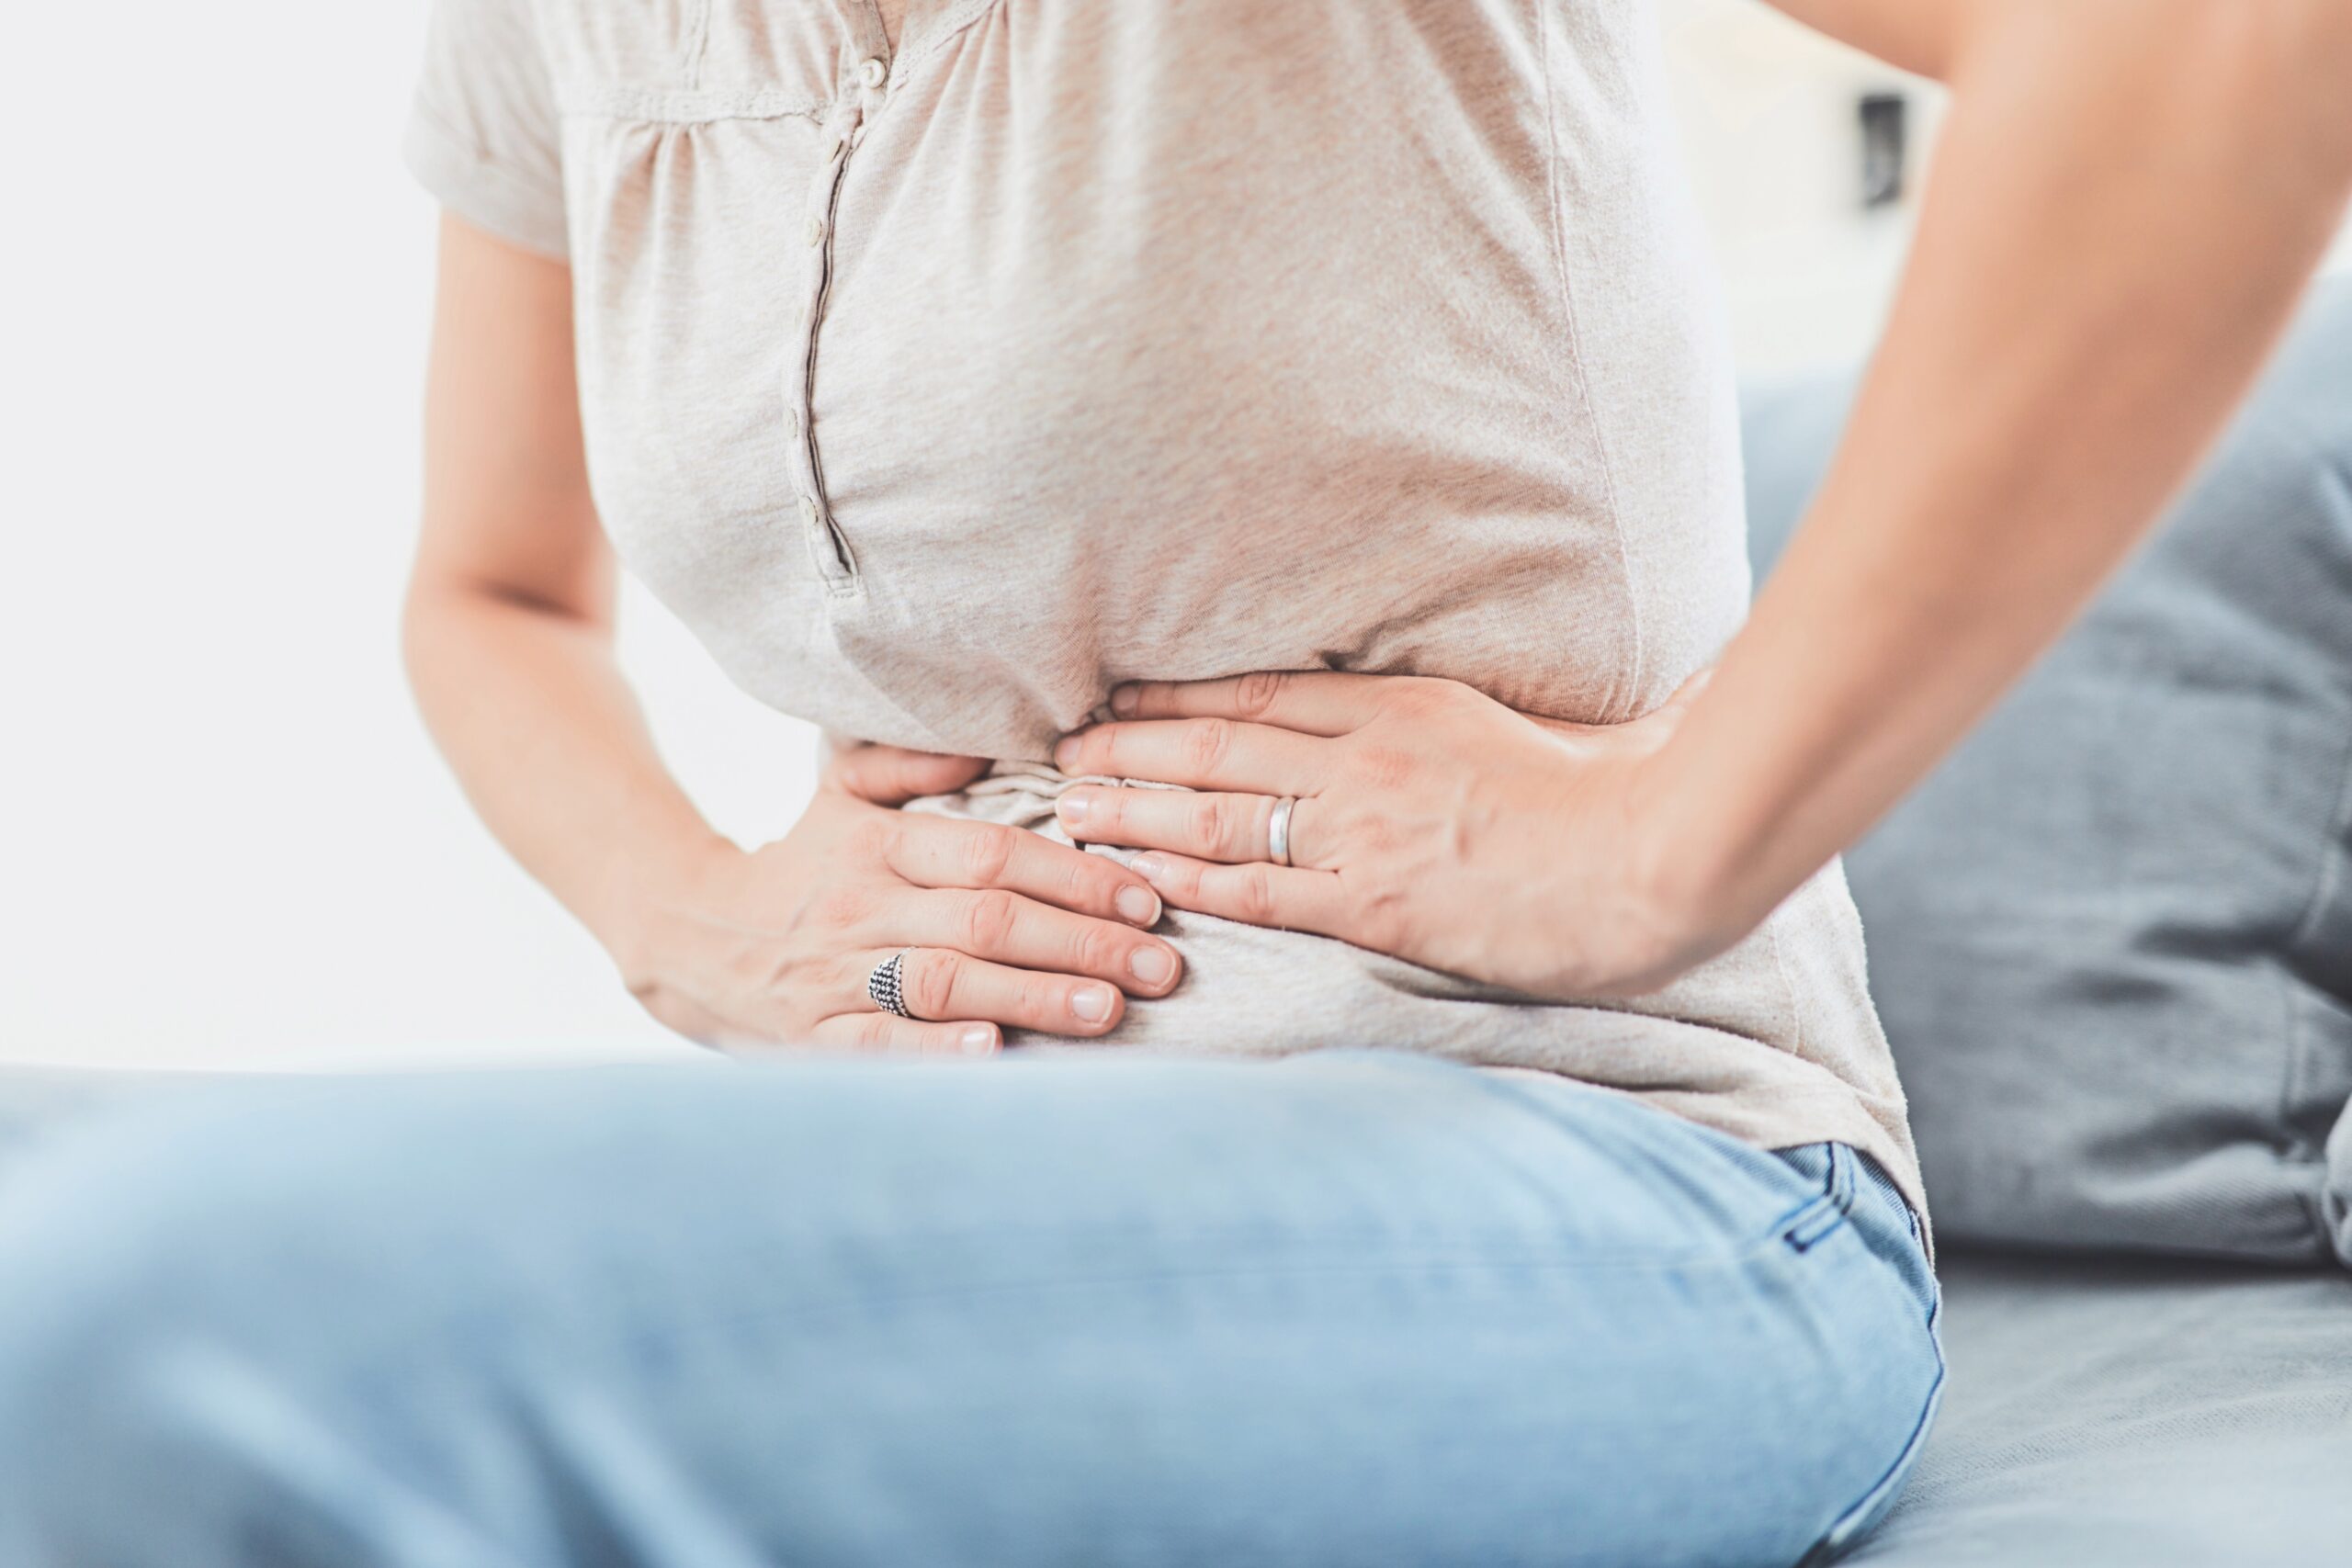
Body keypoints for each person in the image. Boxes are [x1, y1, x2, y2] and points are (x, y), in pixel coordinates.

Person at [1, 2, 2346, 1563]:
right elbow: (493, 586)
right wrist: (692, 909)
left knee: (144, 1305)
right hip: (907, 1147)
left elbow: (2208, 36)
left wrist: (1672, 832)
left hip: (1609, 1167)